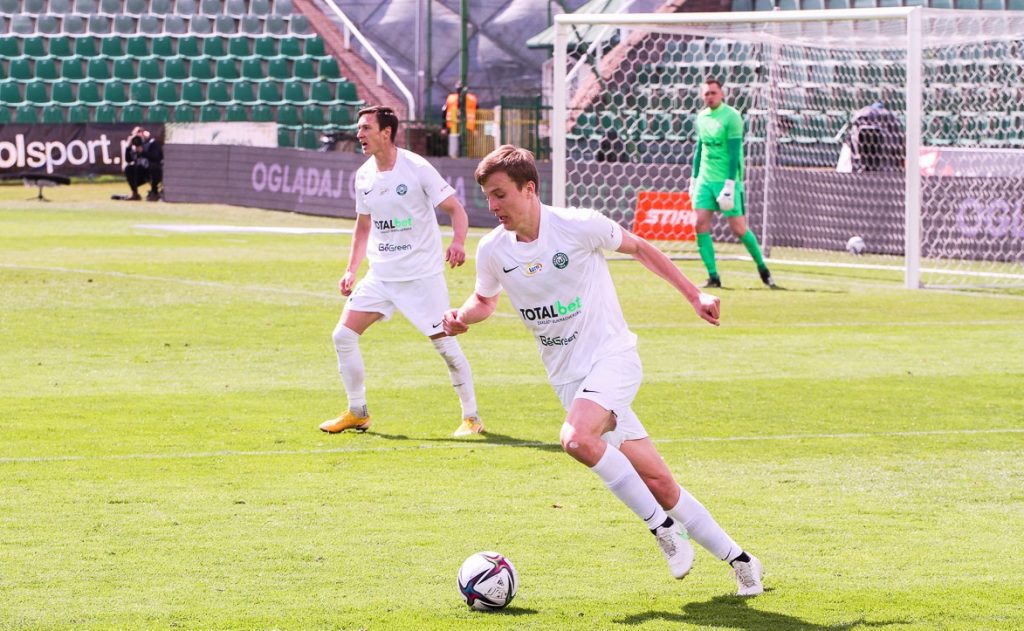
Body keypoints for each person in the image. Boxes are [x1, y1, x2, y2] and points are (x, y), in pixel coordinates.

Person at [442, 144, 764, 596]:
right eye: (488, 197)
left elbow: (640, 248)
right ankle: (742, 561)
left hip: (613, 358)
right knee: (659, 481)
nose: (493, 206)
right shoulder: (493, 249)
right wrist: (461, 316)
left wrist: (695, 295)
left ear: (529, 189)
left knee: (576, 439)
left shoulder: (579, 225)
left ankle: (663, 529)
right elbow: (484, 300)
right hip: (569, 380)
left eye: (500, 195)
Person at [319, 105, 483, 438]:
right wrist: (351, 270)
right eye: (359, 128)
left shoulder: (417, 167)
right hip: (381, 276)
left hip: (421, 276)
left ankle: (471, 417)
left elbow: (456, 209)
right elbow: (363, 226)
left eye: (366, 128)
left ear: (387, 132)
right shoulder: (364, 175)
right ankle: (357, 412)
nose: (359, 134)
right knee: (342, 336)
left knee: (446, 346)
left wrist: (459, 242)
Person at [689, 77, 776, 289]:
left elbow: (735, 153)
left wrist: (729, 184)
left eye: (713, 93)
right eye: (706, 93)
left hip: (726, 181)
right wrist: (694, 178)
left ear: (722, 94)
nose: (710, 97)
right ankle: (713, 276)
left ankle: (763, 268)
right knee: (699, 224)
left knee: (738, 229)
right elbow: (700, 149)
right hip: (705, 180)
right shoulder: (701, 117)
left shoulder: (732, 117)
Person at [123, 127, 150, 201]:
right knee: (128, 168)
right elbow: (128, 160)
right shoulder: (134, 147)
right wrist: (128, 147)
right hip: (139, 172)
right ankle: (135, 193)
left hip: (149, 170)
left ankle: (154, 192)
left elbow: (154, 157)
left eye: (139, 133)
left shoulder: (149, 143)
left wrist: (143, 151)